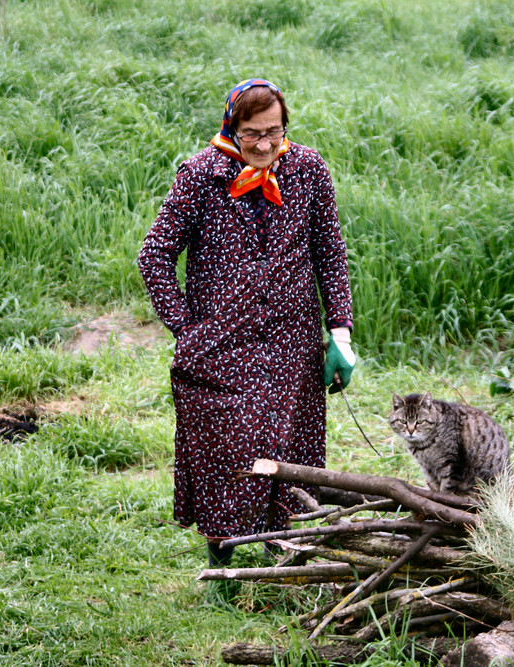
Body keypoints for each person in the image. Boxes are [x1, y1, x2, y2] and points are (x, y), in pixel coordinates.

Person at [138, 78, 355, 567]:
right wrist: (186, 328)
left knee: (290, 444)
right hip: (221, 343)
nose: (264, 144)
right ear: (232, 127)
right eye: (253, 133)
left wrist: (339, 334)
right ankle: (225, 556)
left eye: (274, 132)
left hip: (292, 340)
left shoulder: (309, 170)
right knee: (228, 446)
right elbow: (154, 256)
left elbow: (330, 255)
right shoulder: (200, 175)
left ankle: (285, 549)